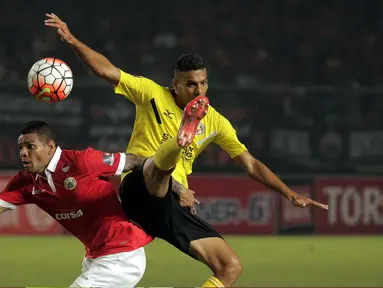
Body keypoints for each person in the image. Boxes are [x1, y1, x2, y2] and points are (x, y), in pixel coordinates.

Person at [45, 13, 329, 287]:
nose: (199, 90)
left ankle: (177, 158)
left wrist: (289, 193)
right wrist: (71, 39)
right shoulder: (151, 93)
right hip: (140, 187)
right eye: (191, 84)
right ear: (175, 85)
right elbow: (106, 70)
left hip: (168, 207)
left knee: (230, 267)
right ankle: (179, 142)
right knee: (156, 165)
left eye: (203, 83)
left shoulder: (216, 121)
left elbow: (251, 164)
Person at [0, 120, 154, 287]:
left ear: (50, 147)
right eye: (20, 148)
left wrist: (176, 188)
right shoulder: (25, 182)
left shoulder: (82, 162)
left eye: (30, 146)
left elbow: (136, 161)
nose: (23, 153)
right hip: (94, 257)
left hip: (123, 254)